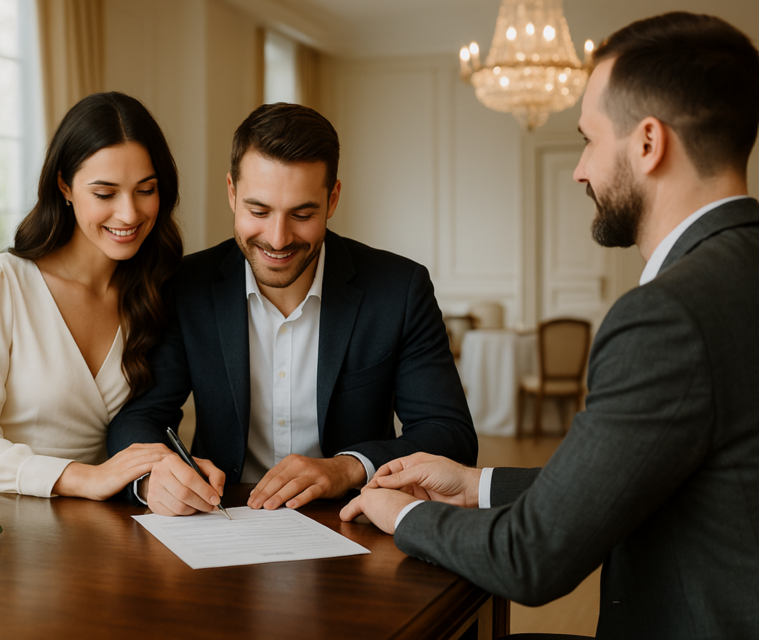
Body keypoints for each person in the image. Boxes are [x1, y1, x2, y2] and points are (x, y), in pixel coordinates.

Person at [341, 12, 759, 639]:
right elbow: (648, 475)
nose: (579, 169)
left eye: (590, 139)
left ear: (649, 143)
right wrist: (476, 484)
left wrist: (399, 515)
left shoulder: (666, 315)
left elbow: (531, 558)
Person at [108, 102, 476, 516]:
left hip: (355, 522)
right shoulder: (186, 285)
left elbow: (450, 435)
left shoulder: (399, 289)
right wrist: (152, 477)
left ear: (332, 198)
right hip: (221, 522)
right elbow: (138, 418)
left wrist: (348, 467)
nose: (278, 238)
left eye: (302, 214)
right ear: (232, 192)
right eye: (258, 211)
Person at [0, 92, 182, 500]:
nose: (129, 214)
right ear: (65, 186)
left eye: (146, 189)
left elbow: (150, 422)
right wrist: (83, 478)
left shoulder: (156, 290)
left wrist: (173, 468)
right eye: (105, 194)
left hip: (113, 524)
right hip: (13, 521)